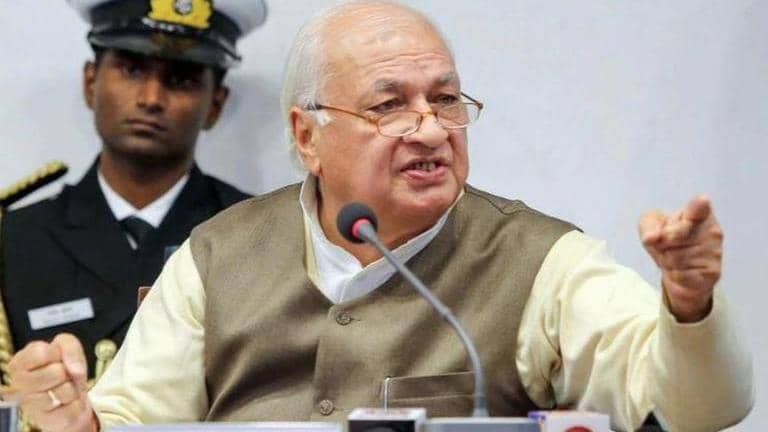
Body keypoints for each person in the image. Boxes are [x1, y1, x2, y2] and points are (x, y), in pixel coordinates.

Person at [5, 1, 754, 432]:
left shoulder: (544, 261)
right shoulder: (216, 253)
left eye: (446, 100)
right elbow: (133, 421)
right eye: (390, 105)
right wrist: (76, 418)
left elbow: (694, 408)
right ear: (307, 136)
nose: (429, 128)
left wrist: (689, 306)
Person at [0, 0, 266, 378]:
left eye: (181, 80)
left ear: (215, 105)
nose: (151, 99)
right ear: (90, 82)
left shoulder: (255, 236)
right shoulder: (15, 238)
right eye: (131, 69)